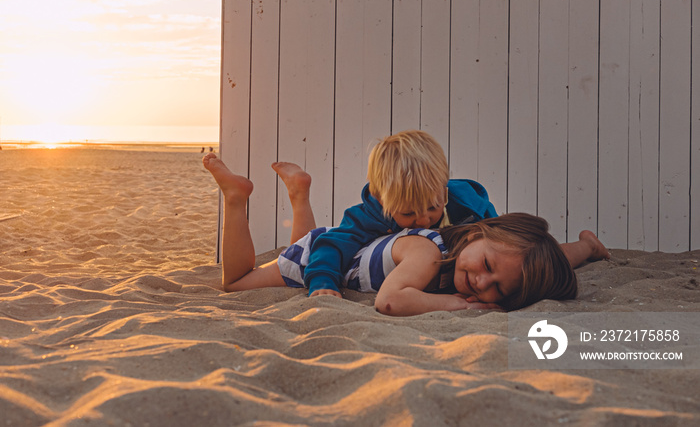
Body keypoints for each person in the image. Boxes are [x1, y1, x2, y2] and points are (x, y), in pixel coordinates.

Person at [202, 153, 609, 315]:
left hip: (353, 250)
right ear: (474, 234)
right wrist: (461, 306)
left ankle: (298, 195)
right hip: (325, 255)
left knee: (534, 261)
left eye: (497, 290)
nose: (482, 283)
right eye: (486, 266)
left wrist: (585, 249)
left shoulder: (488, 252)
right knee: (237, 281)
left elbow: (548, 256)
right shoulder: (426, 252)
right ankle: (236, 197)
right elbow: (391, 301)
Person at [302, 130, 499, 298]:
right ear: (381, 200)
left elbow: (498, 234)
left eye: (433, 207)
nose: (423, 220)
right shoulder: (369, 215)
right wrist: (322, 281)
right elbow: (332, 244)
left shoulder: (469, 206)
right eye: (408, 212)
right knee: (302, 248)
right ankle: (299, 197)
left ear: (443, 189)